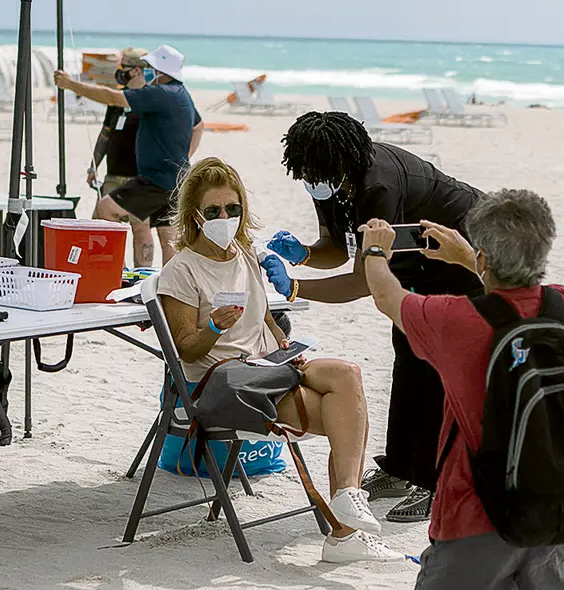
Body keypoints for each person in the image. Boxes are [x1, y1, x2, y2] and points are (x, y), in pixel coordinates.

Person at [157, 157, 404, 563]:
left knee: (347, 374)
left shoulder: (243, 251)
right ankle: (343, 535)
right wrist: (215, 328)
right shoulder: (181, 270)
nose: (225, 218)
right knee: (342, 414)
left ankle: (346, 500)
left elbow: (266, 317)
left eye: (233, 209)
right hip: (224, 382)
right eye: (214, 211)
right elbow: (185, 349)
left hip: (267, 365)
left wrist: (285, 344)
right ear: (194, 215)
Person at [261, 112, 485, 524]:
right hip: (416, 257)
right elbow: (337, 245)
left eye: (316, 172)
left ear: (342, 162)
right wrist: (307, 255)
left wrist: (295, 288)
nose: (312, 180)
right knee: (409, 355)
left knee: (439, 364)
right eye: (305, 172)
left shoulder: (377, 185)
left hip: (464, 251)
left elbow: (363, 280)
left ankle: (437, 482)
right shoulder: (326, 175)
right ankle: (401, 468)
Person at [357, 189, 564, 589]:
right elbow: (514, 295)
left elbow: (388, 297)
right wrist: (466, 256)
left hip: (475, 515)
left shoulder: (457, 320)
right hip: (551, 511)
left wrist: (374, 251)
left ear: (483, 258)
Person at [54, 44, 203, 264]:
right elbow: (198, 125)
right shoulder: (181, 93)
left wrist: (71, 84)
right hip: (176, 178)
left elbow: (112, 97)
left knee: (105, 210)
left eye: (151, 67)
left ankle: (113, 270)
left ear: (161, 71)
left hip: (155, 179)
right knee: (167, 236)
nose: (147, 71)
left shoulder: (159, 93)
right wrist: (185, 157)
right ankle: (167, 287)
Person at [87, 47, 153, 266]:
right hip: (113, 175)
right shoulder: (117, 99)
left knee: (140, 227)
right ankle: (116, 271)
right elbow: (105, 133)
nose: (120, 71)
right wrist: (93, 165)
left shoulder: (151, 101)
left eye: (123, 66)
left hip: (141, 177)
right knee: (104, 226)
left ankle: (142, 277)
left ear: (135, 70)